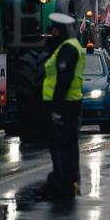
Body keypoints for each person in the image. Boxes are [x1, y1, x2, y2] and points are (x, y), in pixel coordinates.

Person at [42, 13, 86, 199]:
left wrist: (56, 109)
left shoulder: (68, 49)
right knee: (68, 145)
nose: (51, 33)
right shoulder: (70, 45)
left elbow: (63, 79)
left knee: (61, 145)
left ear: (59, 30)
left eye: (53, 29)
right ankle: (69, 180)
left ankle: (62, 183)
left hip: (65, 103)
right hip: (70, 102)